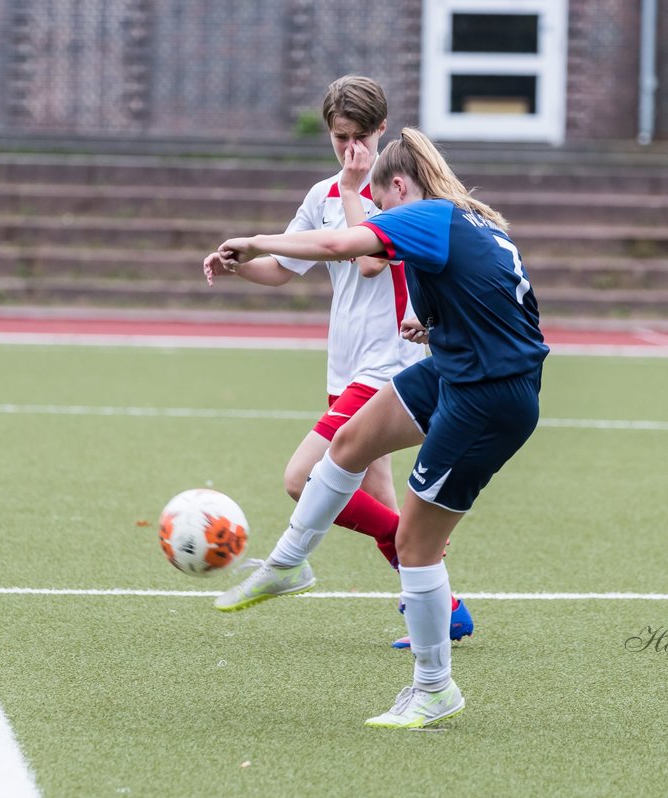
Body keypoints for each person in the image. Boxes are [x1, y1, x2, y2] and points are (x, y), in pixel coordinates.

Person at [206, 128, 549, 728]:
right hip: (457, 369)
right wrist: (437, 328)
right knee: (348, 444)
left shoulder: (429, 215)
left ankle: (435, 688)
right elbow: (503, 308)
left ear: (397, 187)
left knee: (415, 543)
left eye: (384, 209)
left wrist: (256, 242)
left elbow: (345, 243)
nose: (384, 225)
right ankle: (289, 563)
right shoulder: (469, 221)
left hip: (487, 396)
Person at [201, 76, 474, 649]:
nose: (347, 148)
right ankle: (444, 607)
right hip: (346, 367)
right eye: (338, 137)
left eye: (357, 136)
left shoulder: (400, 194)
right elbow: (282, 268)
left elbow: (370, 262)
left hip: (391, 367)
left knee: (303, 479)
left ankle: (396, 550)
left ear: (381, 130)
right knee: (373, 495)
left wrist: (354, 185)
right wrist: (240, 265)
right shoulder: (323, 193)